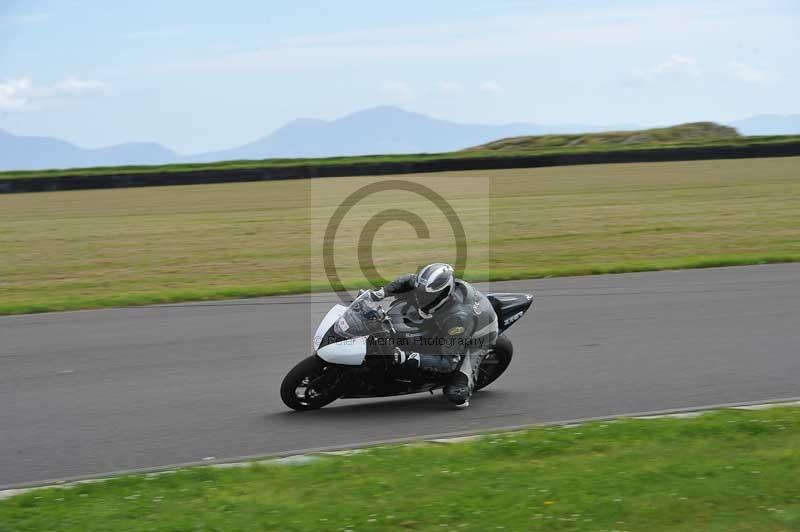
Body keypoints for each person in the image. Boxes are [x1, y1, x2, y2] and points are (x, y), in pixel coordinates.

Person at [369, 263, 498, 407]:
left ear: (443, 294)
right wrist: (380, 292)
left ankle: (465, 383)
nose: (419, 298)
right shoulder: (427, 288)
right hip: (446, 320)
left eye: (425, 296)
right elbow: (408, 280)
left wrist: (410, 356)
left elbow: (450, 361)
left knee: (456, 395)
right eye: (420, 292)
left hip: (478, 336)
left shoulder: (457, 319)